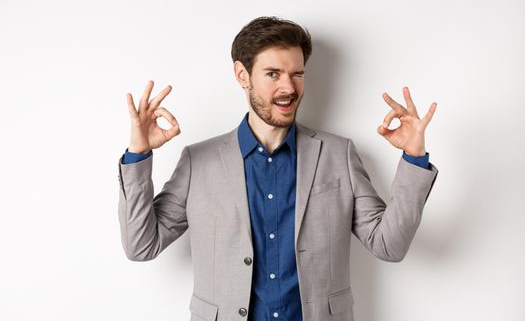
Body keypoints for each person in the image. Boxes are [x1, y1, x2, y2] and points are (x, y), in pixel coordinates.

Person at [117, 16, 438, 321]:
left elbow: (389, 245)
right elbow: (142, 245)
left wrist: (413, 156)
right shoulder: (198, 162)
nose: (288, 87)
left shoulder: (339, 155)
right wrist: (139, 152)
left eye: (297, 74)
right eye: (273, 74)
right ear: (243, 75)